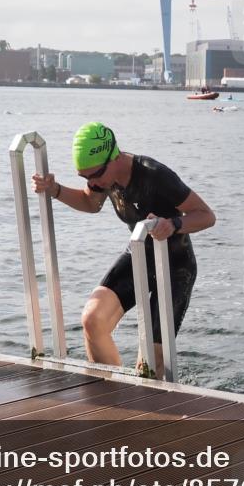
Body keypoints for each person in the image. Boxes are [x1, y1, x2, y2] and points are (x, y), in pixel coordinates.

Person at [32, 122, 215, 378]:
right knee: (93, 320)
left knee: (150, 364)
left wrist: (173, 224)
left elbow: (206, 215)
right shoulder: (102, 178)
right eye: (85, 178)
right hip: (139, 256)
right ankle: (110, 392)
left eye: (95, 175)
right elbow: (91, 203)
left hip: (175, 267)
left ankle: (149, 396)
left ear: (114, 157)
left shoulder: (155, 175)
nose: (93, 183)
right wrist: (56, 190)